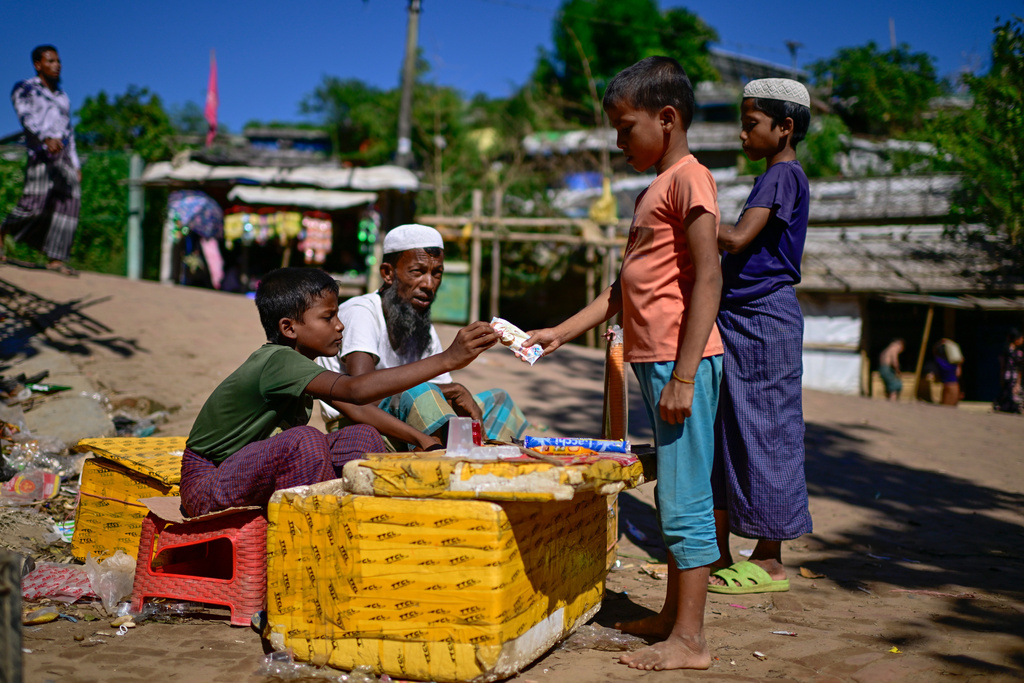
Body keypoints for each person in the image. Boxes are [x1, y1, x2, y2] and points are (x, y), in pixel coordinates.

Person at [525, 56, 723, 671]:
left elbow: (709, 277)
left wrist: (686, 376)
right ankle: (672, 617)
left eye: (625, 127)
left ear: (667, 119)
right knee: (674, 495)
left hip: (679, 360)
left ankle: (690, 641)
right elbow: (621, 289)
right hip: (656, 360)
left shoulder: (692, 178)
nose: (618, 142)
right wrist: (559, 333)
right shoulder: (652, 190)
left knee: (685, 496)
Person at [179, 267, 498, 516]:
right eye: (328, 317)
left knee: (362, 436)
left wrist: (422, 440)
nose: (340, 326)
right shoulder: (277, 361)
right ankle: (314, 528)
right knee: (304, 440)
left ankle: (351, 518)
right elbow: (356, 390)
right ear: (289, 328)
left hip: (245, 471)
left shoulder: (301, 365)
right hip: (208, 482)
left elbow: (354, 407)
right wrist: (447, 360)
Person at [710, 78, 813, 596]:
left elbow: (736, 238)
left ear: (784, 127)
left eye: (751, 125)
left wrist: (688, 214)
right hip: (740, 317)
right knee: (730, 430)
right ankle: (723, 552)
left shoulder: (781, 177)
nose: (743, 135)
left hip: (765, 319)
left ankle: (770, 560)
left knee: (768, 432)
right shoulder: (772, 178)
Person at [316, 223, 528, 450]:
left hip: (411, 417)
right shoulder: (362, 312)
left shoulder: (421, 325)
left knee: (498, 400)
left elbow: (444, 395)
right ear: (388, 273)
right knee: (423, 391)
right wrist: (450, 386)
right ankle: (448, 463)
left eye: (437, 273)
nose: (429, 284)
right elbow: (362, 395)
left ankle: (487, 456)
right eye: (417, 272)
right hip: (361, 425)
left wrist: (456, 395)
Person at [0, 46, 81, 276]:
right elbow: (25, 116)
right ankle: (2, 230)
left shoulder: (63, 96)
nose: (57, 65)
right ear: (38, 65)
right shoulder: (26, 88)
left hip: (63, 154)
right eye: (51, 61)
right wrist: (44, 137)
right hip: (40, 151)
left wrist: (75, 163)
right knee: (34, 204)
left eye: (58, 61)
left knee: (70, 201)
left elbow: (69, 131)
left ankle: (56, 258)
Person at [994, 328, 1023, 414]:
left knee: (1012, 394)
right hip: (1010, 377)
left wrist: (1018, 382)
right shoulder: (1011, 352)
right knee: (1008, 393)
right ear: (1016, 340)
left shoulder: (1016, 352)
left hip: (1012, 377)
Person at [933, 338, 963, 407]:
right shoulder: (954, 365)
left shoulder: (940, 362)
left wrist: (940, 342)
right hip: (955, 387)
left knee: (945, 408)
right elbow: (958, 373)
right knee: (950, 408)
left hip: (948, 387)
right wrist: (949, 342)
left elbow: (934, 351)